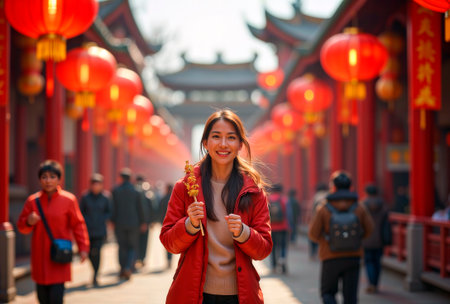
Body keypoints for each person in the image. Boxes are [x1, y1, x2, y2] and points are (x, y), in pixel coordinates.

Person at [160, 109, 273, 304]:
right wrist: (189, 224)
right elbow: (169, 243)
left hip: (240, 295)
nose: (223, 144)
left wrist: (244, 232)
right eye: (216, 137)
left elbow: (263, 250)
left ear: (239, 144)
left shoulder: (253, 191)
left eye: (231, 137)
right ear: (205, 143)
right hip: (195, 293)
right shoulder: (186, 188)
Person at [17, 160, 90, 304]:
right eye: (44, 177)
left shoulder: (69, 200)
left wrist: (83, 248)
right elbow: (22, 227)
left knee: (56, 298)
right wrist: (28, 222)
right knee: (42, 298)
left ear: (59, 179)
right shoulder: (32, 201)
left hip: (59, 256)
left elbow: (78, 225)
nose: (48, 181)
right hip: (40, 257)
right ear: (40, 179)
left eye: (52, 176)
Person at [309, 171, 374, 304]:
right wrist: (356, 239)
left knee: (328, 293)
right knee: (350, 297)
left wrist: (326, 241)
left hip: (330, 256)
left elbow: (313, 234)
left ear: (333, 187)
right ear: (351, 187)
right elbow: (370, 229)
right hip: (353, 256)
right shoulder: (359, 207)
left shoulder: (324, 208)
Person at [111, 168, 146, 280]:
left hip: (119, 223)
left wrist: (112, 221)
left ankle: (122, 269)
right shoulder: (136, 191)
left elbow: (113, 207)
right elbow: (140, 208)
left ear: (121, 178)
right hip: (133, 223)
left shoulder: (116, 190)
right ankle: (128, 267)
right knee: (132, 246)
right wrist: (143, 222)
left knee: (122, 246)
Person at [80, 173, 111, 286]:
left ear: (102, 185)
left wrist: (103, 219)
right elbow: (80, 212)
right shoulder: (85, 197)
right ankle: (94, 270)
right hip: (88, 230)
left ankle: (95, 274)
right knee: (89, 253)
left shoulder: (106, 197)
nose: (96, 187)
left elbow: (109, 211)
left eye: (98, 184)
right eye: (94, 184)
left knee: (97, 252)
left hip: (100, 230)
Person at [361, 184, 389, 294]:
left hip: (366, 238)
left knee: (368, 261)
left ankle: (371, 283)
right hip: (379, 238)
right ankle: (376, 283)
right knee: (377, 262)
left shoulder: (362, 205)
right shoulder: (383, 205)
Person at [268, 183, 290, 273]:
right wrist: (290, 226)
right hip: (283, 227)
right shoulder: (284, 199)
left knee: (272, 247)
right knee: (283, 246)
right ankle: (282, 261)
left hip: (271, 228)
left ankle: (273, 266)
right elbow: (289, 214)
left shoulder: (268, 200)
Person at [134, 174, 154, 268]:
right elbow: (151, 208)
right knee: (144, 241)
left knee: (136, 242)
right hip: (145, 222)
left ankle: (136, 259)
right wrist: (148, 222)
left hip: (135, 223)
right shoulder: (147, 192)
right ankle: (141, 259)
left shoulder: (134, 191)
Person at [309, 183, 328, 260]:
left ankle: (313, 253)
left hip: (316, 219)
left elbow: (312, 209)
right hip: (326, 221)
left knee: (313, 236)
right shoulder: (328, 195)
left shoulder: (316, 196)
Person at [158, 183, 174, 269]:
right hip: (174, 224)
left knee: (167, 242)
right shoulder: (175, 198)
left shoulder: (163, 199)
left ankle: (168, 259)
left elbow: (159, 211)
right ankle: (170, 259)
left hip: (165, 223)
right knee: (173, 242)